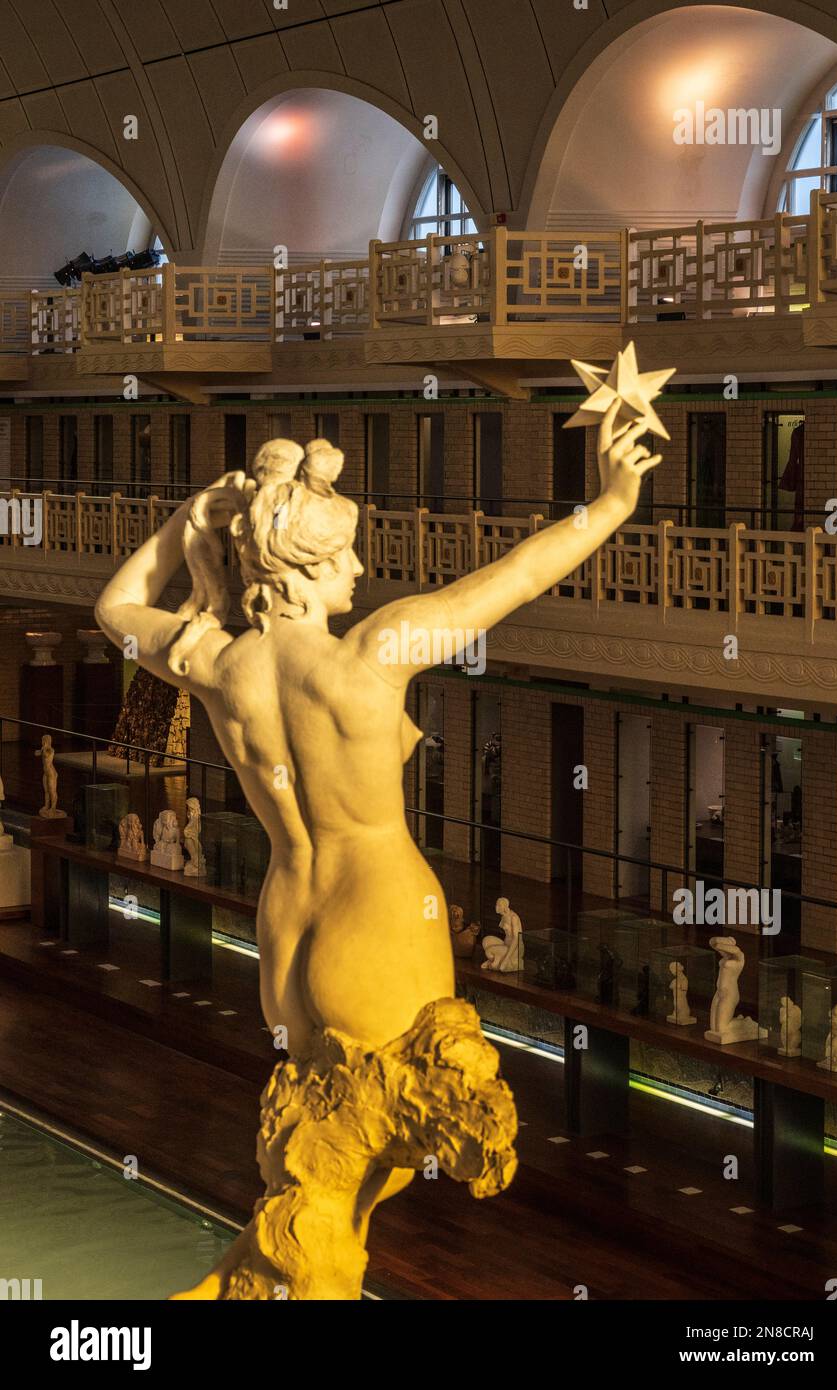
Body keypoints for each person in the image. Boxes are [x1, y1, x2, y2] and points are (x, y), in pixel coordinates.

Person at [94, 410, 659, 1276]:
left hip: (284, 921)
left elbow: (114, 606)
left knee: (318, 1176)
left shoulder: (213, 662)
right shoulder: (376, 654)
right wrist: (616, 501)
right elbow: (517, 574)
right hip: (378, 912)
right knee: (377, 1154)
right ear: (307, 569)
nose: (359, 569)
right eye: (345, 556)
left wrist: (193, 517)